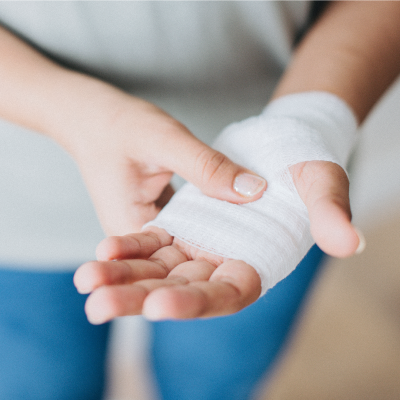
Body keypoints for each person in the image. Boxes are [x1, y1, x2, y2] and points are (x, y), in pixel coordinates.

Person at [1, 2, 400, 400]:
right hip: (17, 208)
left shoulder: (276, 204)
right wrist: (72, 112)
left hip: (274, 206)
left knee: (214, 381)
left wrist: (308, 119)